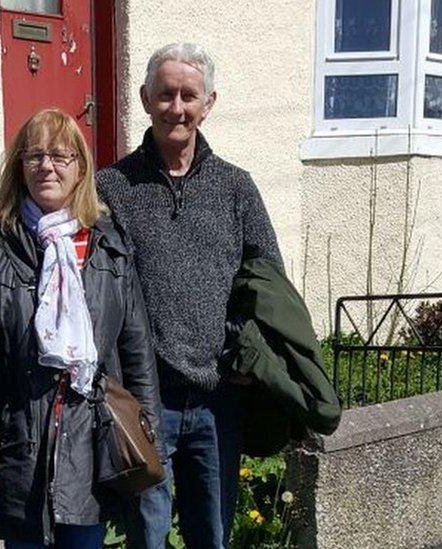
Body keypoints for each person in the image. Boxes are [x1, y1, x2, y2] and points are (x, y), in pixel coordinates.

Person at [96, 43, 283, 548]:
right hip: (145, 400)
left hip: (218, 397)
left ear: (208, 103)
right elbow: (102, 289)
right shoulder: (112, 187)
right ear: (144, 99)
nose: (176, 107)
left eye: (188, 95)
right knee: (148, 536)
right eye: (165, 95)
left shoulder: (236, 188)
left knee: (212, 536)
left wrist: (241, 346)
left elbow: (267, 280)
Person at [0, 108, 160, 548]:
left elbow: (136, 352)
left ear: (80, 168)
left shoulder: (110, 252)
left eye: (61, 156)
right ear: (19, 168)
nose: (47, 166)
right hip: (20, 449)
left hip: (91, 447)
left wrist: (147, 434)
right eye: (35, 155)